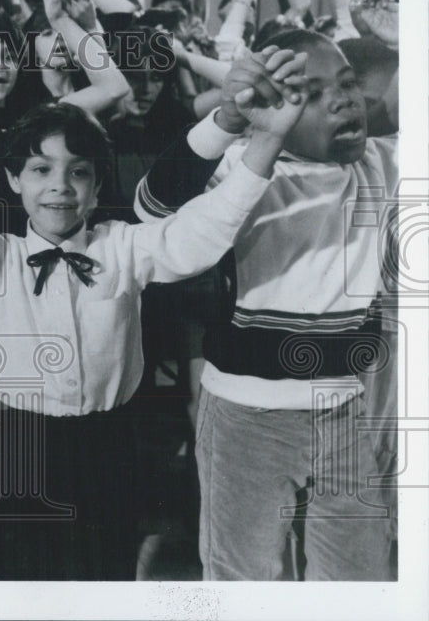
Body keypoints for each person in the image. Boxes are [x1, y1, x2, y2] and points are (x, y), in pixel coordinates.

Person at [0, 63, 307, 580]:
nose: (60, 186)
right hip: (25, 449)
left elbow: (202, 229)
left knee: (105, 574)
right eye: (40, 169)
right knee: (24, 579)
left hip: (110, 445)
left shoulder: (123, 246)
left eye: (78, 171)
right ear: (13, 180)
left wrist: (268, 141)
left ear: (99, 185)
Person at [134, 30, 397, 580]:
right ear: (274, 110)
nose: (344, 99)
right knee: (241, 579)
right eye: (314, 92)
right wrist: (228, 119)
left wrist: (399, 36)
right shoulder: (246, 167)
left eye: (348, 84)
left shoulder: (378, 164)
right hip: (245, 419)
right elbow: (152, 206)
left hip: (342, 410)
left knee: (357, 579)